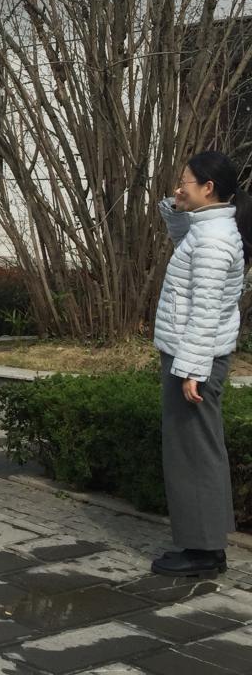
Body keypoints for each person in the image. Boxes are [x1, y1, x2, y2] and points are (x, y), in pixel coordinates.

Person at [151, 151, 250, 579]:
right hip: (192, 355)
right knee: (191, 449)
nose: (179, 187)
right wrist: (176, 207)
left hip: (195, 359)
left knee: (195, 452)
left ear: (208, 188)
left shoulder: (213, 240)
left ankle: (205, 552)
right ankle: (203, 545)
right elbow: (182, 239)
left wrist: (192, 369)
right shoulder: (207, 230)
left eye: (185, 182)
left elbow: (206, 311)